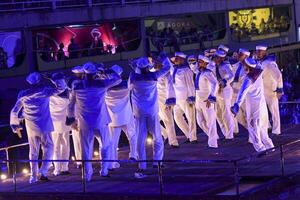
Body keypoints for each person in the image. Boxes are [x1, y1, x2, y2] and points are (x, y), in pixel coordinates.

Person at [67, 62, 121, 181]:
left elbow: (70, 106)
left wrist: (71, 119)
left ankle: (87, 174)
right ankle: (104, 170)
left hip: (85, 123)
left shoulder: (77, 86)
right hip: (101, 121)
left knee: (85, 149)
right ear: (95, 72)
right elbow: (118, 79)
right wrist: (107, 72)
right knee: (106, 145)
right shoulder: (101, 84)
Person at [10, 72, 58, 183]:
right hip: (45, 126)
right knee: (49, 148)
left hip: (31, 128)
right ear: (39, 81)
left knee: (33, 152)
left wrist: (15, 124)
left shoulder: (23, 94)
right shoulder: (45, 91)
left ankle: (33, 176)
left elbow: (14, 111)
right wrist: (52, 78)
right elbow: (61, 88)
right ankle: (44, 171)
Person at [129, 56, 171, 178]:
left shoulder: (133, 77)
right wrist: (162, 58)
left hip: (139, 113)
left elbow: (129, 87)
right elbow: (167, 68)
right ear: (148, 67)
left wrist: (134, 67)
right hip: (152, 111)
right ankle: (157, 162)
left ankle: (142, 166)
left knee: (140, 140)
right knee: (157, 137)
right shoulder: (153, 76)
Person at [231, 57, 274, 152]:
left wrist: (236, 105)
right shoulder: (258, 72)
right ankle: (270, 148)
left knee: (253, 127)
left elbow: (242, 93)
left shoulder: (248, 79)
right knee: (263, 129)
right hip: (262, 106)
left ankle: (261, 149)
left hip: (254, 107)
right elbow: (258, 63)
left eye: (245, 66)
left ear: (248, 67)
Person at [105, 64, 138, 169]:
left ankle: (113, 162)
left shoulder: (105, 88)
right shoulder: (126, 86)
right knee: (132, 136)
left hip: (113, 119)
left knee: (113, 142)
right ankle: (133, 155)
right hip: (126, 116)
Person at [152, 53, 179, 148]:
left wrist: (169, 101)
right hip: (155, 100)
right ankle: (165, 134)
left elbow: (169, 87)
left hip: (165, 100)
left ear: (161, 64)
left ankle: (173, 142)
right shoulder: (153, 72)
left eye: (157, 63)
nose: (155, 64)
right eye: (154, 62)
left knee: (168, 121)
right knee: (153, 120)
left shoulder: (166, 74)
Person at [256, 45, 283, 135]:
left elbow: (278, 75)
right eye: (257, 51)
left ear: (264, 52)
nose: (258, 53)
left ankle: (276, 130)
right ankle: (267, 126)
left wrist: (279, 89)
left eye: (260, 51)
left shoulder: (269, 62)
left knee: (274, 111)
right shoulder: (258, 62)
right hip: (262, 90)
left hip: (271, 90)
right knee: (262, 110)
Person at [171, 52, 197, 143]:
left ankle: (193, 138)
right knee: (177, 117)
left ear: (182, 59)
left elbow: (190, 84)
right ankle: (188, 135)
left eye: (177, 58)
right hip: (177, 98)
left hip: (186, 97)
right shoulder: (174, 69)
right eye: (175, 58)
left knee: (190, 118)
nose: (175, 59)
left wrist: (191, 97)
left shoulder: (187, 70)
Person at [49, 72, 71, 176]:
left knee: (55, 147)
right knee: (65, 145)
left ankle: (56, 169)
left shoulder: (50, 95)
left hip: (53, 123)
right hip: (65, 122)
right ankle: (65, 168)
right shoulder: (68, 94)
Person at [195, 55, 219, 148]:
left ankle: (213, 144)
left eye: (200, 61)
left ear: (206, 63)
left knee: (211, 122)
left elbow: (215, 84)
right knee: (200, 121)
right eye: (198, 61)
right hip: (198, 100)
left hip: (206, 100)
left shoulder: (208, 72)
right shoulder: (199, 72)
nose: (198, 63)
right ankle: (213, 137)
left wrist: (211, 97)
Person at [213, 50, 234, 139]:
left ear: (222, 58)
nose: (216, 59)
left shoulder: (226, 65)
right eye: (215, 57)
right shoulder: (214, 66)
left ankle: (230, 134)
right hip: (217, 91)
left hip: (225, 90)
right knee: (218, 113)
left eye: (218, 57)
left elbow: (231, 75)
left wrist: (224, 81)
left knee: (226, 113)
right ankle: (225, 132)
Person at [68, 66, 84, 168]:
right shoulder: (82, 84)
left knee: (78, 140)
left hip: (76, 116)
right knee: (85, 140)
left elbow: (70, 105)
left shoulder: (71, 84)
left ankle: (80, 162)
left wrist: (71, 119)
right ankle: (83, 161)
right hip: (82, 116)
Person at [230, 48, 249, 134]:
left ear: (246, 56)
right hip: (234, 94)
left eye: (241, 55)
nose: (238, 56)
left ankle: (253, 135)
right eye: (239, 54)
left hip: (245, 95)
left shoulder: (250, 66)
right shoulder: (236, 65)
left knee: (248, 115)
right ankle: (250, 130)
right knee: (238, 117)